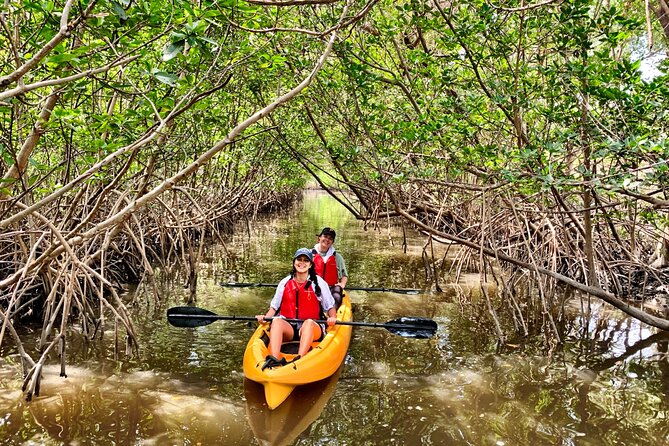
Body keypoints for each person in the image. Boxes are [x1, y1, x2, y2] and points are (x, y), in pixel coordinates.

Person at [255, 248, 337, 370]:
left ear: (310, 265)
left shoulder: (318, 283)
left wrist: (333, 318)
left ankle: (300, 361)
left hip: (313, 328)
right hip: (290, 328)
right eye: (299, 259)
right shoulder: (285, 282)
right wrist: (265, 318)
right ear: (294, 262)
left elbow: (330, 306)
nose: (302, 263)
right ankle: (275, 360)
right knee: (276, 321)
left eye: (306, 260)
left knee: (308, 323)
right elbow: (274, 307)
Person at [312, 227, 348, 307]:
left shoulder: (337, 257)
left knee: (338, 291)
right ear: (319, 237)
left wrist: (342, 283)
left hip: (331, 288)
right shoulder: (310, 254)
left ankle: (332, 313)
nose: (327, 240)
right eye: (325, 236)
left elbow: (344, 275)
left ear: (332, 242)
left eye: (330, 238)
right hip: (314, 286)